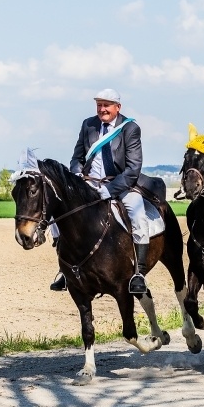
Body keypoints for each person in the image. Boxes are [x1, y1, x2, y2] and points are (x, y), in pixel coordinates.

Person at [50, 88, 151, 294]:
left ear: (117, 107)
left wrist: (109, 190)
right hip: (88, 185)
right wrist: (77, 176)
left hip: (120, 185)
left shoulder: (130, 128)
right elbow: (76, 158)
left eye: (106, 105)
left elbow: (133, 170)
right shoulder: (88, 124)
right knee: (59, 215)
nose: (102, 109)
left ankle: (139, 273)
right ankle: (65, 270)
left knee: (138, 215)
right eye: (99, 105)